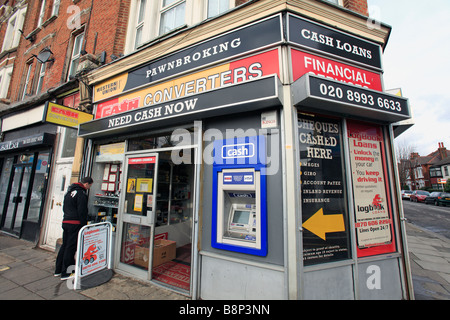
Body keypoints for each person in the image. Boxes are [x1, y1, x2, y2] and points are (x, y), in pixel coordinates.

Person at [55, 176, 93, 280]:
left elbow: (64, 207)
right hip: (74, 224)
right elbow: (82, 211)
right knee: (71, 247)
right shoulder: (81, 194)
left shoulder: (69, 193)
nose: (89, 188)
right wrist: (84, 225)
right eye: (89, 186)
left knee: (65, 245)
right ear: (86, 184)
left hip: (66, 222)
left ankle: (58, 269)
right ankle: (67, 272)